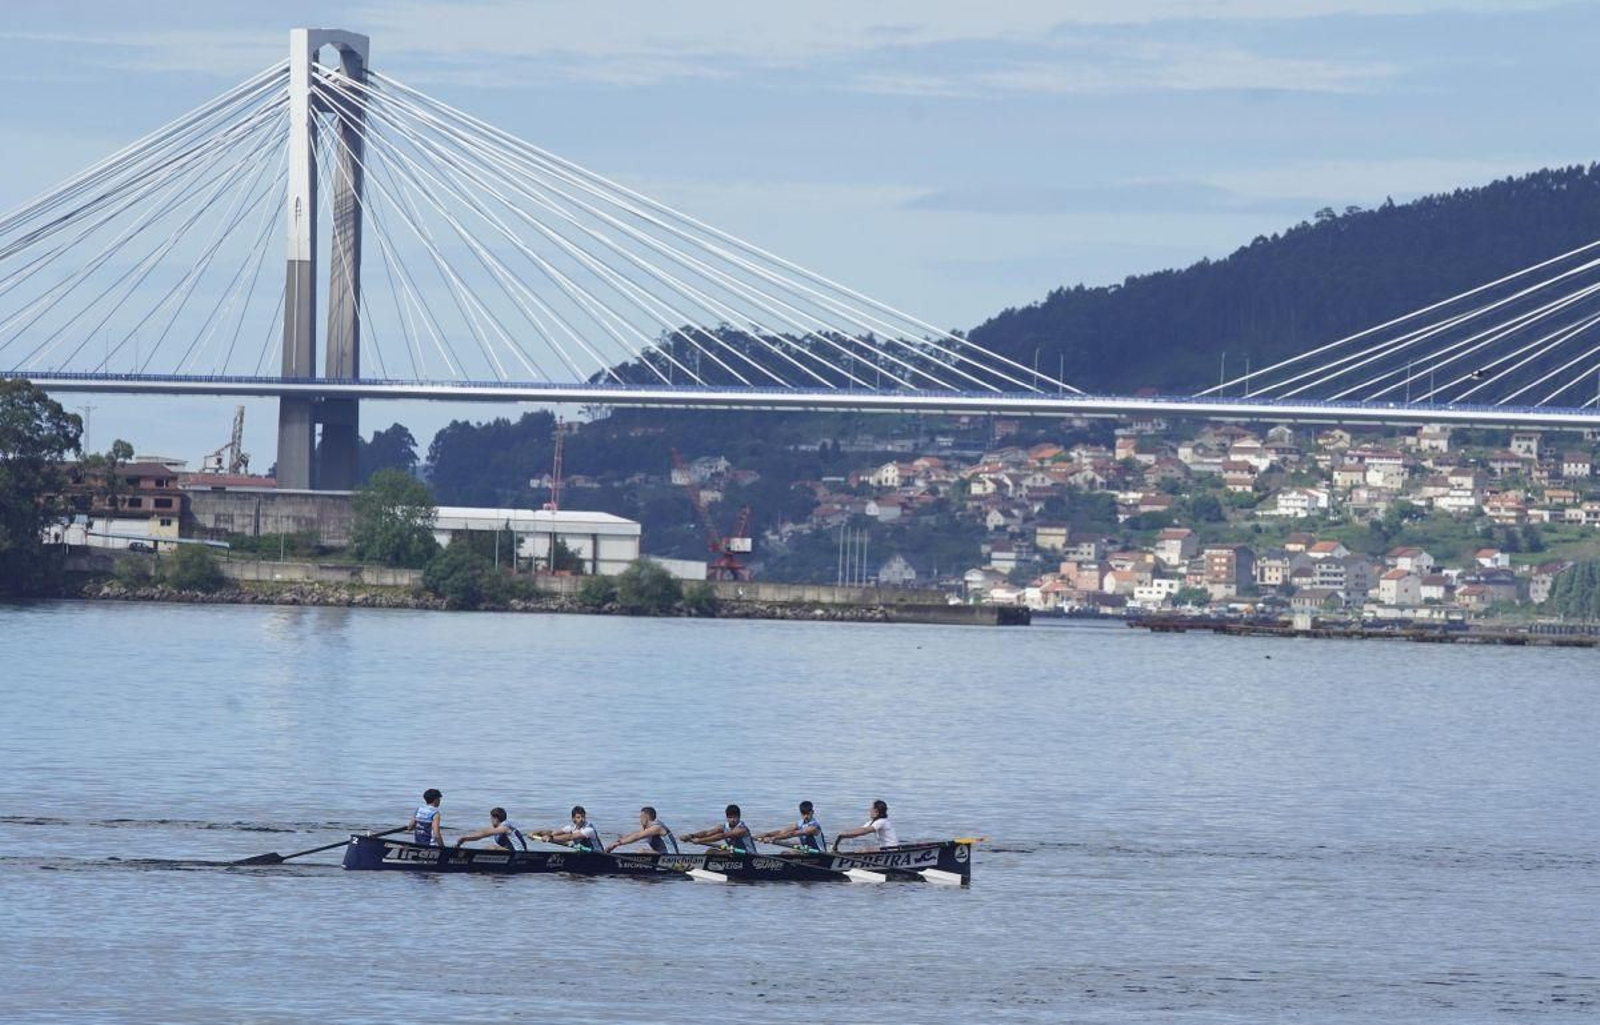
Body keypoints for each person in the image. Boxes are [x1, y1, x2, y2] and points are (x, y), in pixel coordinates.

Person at [682, 804, 757, 854]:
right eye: (730, 817)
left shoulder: (742, 829)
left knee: (717, 853)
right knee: (710, 851)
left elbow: (722, 836)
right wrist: (691, 836)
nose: (733, 820)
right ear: (727, 817)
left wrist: (700, 841)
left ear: (739, 817)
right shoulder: (724, 827)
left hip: (748, 855)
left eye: (735, 817)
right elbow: (707, 833)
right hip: (735, 852)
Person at [756, 800, 826, 853]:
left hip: (820, 855)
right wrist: (766, 835)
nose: (805, 816)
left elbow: (792, 834)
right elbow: (781, 831)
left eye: (807, 814)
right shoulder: (799, 823)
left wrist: (772, 838)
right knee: (784, 853)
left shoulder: (814, 827)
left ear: (812, 812)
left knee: (790, 853)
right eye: (803, 814)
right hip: (807, 853)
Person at [606, 806, 679, 854]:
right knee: (640, 851)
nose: (640, 820)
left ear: (646, 817)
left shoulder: (657, 828)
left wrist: (618, 843)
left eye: (641, 817)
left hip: (671, 856)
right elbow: (634, 835)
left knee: (641, 851)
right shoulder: (648, 828)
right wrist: (616, 842)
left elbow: (637, 836)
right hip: (661, 854)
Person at [832, 799, 899, 851]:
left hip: (891, 849)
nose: (869, 810)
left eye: (871, 808)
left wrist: (845, 833)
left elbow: (864, 831)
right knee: (860, 850)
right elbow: (858, 832)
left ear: (876, 811)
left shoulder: (882, 822)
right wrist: (841, 837)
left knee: (864, 850)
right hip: (884, 848)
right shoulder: (872, 822)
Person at [454, 807, 528, 852]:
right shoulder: (497, 828)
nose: (490, 820)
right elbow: (481, 833)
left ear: (495, 818)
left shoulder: (505, 827)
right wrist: (464, 838)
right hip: (511, 852)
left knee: (492, 847)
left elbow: (484, 834)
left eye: (491, 818)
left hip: (519, 854)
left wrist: (465, 838)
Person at [536, 805, 604, 852]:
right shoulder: (571, 827)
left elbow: (570, 837)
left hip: (597, 855)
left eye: (583, 817)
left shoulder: (589, 829)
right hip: (583, 854)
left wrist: (550, 838)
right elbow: (553, 833)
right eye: (578, 817)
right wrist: (537, 834)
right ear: (573, 819)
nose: (581, 819)